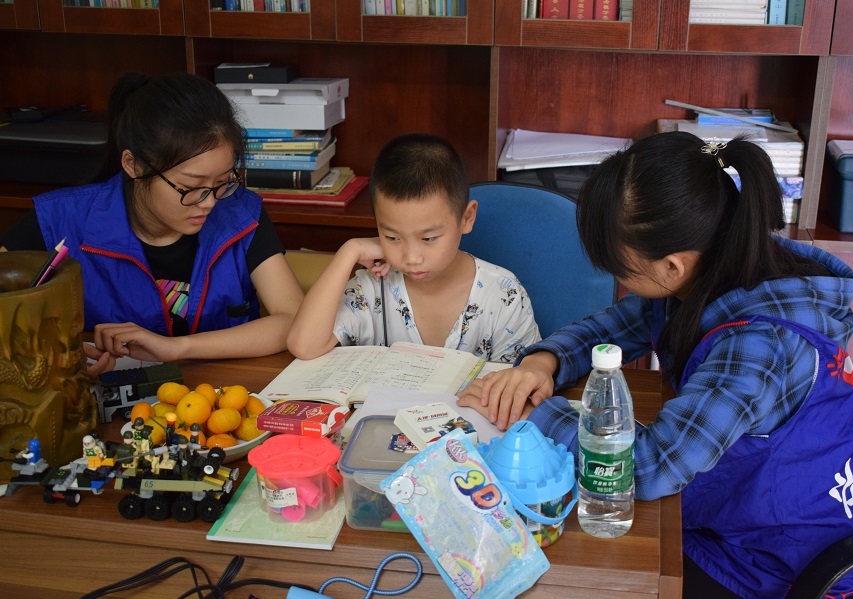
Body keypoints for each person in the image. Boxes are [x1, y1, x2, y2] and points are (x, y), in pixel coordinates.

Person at [458, 132, 853, 599]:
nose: (620, 281)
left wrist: (536, 415)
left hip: (773, 561)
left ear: (673, 266)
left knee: (574, 576)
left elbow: (647, 467)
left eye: (622, 270)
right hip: (729, 507)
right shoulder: (714, 264)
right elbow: (613, 326)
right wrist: (544, 361)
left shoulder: (759, 347)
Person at [0, 72, 304, 377]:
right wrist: (61, 351)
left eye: (223, 182)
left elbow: (293, 319)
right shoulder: (59, 221)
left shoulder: (240, 212)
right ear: (133, 165)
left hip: (221, 392)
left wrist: (176, 348)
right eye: (191, 187)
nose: (210, 202)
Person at [287, 133, 540, 363]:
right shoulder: (371, 288)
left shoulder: (503, 294)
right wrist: (349, 251)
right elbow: (304, 346)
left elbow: (523, 380)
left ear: (466, 218)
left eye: (428, 238)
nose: (411, 258)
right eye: (392, 237)